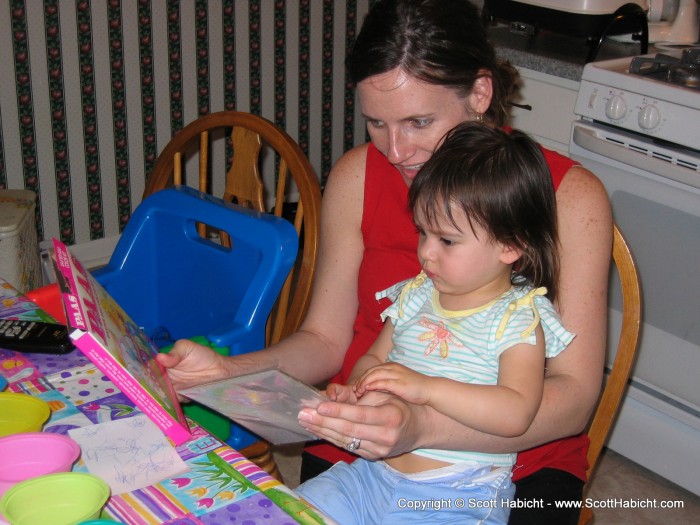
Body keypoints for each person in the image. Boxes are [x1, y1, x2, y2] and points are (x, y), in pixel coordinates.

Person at [156, 1, 612, 523]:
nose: (396, 151)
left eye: (419, 121)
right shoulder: (357, 176)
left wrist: (422, 425)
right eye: (376, 123)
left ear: (480, 94)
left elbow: (574, 400)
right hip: (362, 442)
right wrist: (228, 372)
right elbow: (326, 342)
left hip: (514, 463)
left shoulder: (569, 198)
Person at [292, 122, 575, 524]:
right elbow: (374, 358)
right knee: (282, 511)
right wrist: (361, 390)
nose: (425, 252)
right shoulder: (417, 293)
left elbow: (516, 413)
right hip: (372, 476)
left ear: (511, 244)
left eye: (447, 240)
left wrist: (426, 389)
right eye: (422, 231)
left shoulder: (518, 318)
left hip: (458, 494)